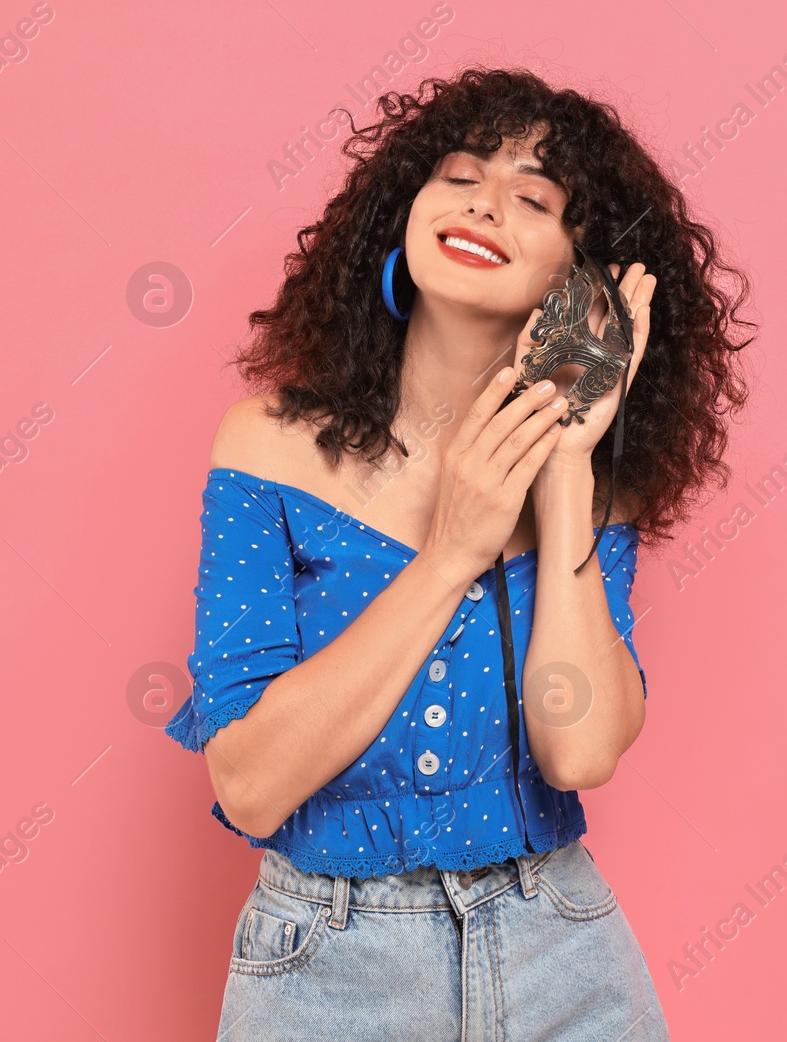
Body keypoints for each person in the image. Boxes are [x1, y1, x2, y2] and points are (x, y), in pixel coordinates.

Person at [163, 67, 755, 1040]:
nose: (485, 202)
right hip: (325, 962)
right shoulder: (265, 447)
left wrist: (565, 470)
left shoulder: (598, 491)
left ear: (578, 275)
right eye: (460, 175)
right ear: (404, 212)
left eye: (533, 198)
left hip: (559, 944)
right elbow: (250, 783)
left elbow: (581, 747)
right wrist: (451, 551)